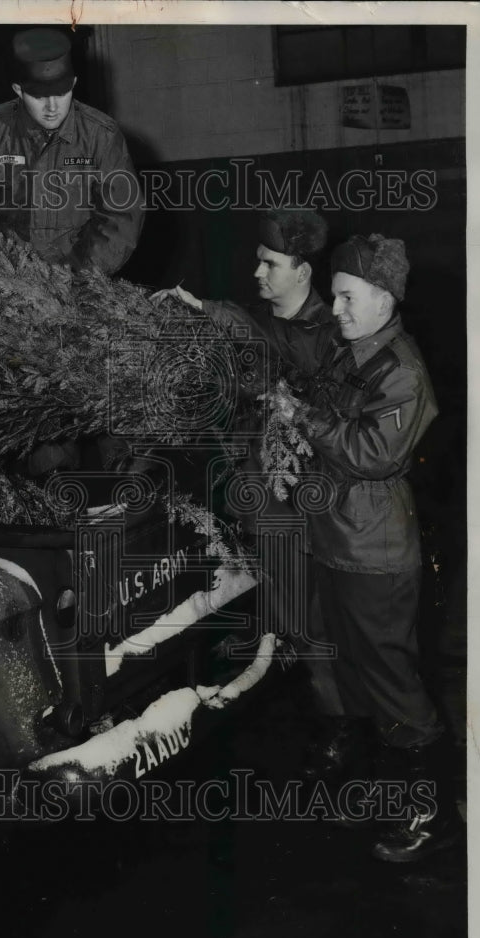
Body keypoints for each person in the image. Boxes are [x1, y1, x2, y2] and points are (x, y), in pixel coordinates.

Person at [279, 233, 463, 861]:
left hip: (376, 553)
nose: (337, 309)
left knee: (393, 684)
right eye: (335, 297)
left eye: (348, 297)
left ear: (385, 300)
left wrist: (302, 417)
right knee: (356, 675)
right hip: (337, 540)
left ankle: (434, 816)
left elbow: (373, 455)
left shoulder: (402, 371)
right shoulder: (349, 353)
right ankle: (385, 796)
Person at [152, 210, 346, 730]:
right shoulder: (266, 320)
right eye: (259, 262)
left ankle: (343, 732)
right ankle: (323, 716)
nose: (258, 273)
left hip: (311, 516)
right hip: (265, 508)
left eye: (271, 264)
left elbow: (279, 366)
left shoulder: (331, 335)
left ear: (303, 273)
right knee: (293, 620)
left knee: (318, 625)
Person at [0, 28, 143, 274]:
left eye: (61, 94)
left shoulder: (101, 135)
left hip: (79, 279)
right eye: (39, 97)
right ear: (18, 90)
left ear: (74, 84)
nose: (52, 108)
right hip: (5, 279)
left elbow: (120, 219)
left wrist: (79, 279)